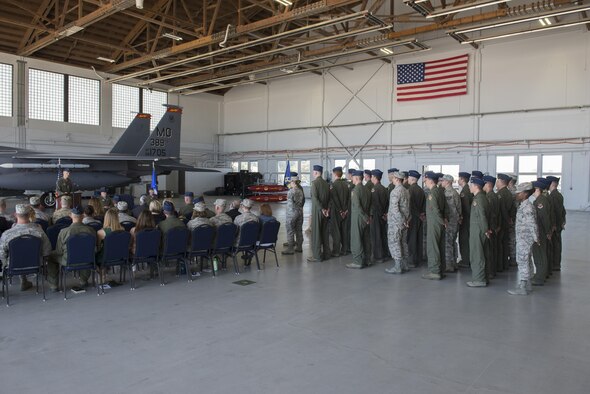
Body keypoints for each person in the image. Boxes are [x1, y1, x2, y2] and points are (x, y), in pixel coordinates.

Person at [0, 204, 51, 291]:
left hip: (13, 265)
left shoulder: (7, 235)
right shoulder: (39, 231)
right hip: (36, 264)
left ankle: (23, 279)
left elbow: (2, 254)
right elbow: (47, 250)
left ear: (16, 215)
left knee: (17, 255)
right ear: (29, 215)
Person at [47, 206, 97, 291]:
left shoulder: (64, 231)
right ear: (83, 216)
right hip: (87, 259)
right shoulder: (91, 230)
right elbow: (94, 248)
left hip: (68, 260)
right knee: (85, 253)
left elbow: (59, 251)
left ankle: (54, 285)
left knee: (51, 258)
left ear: (70, 215)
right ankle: (83, 280)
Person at [507, 182, 539, 295]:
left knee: (522, 260)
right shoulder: (523, 205)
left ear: (525, 194)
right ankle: (528, 284)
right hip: (523, 237)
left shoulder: (527, 207)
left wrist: (536, 238)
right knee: (527, 260)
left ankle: (523, 286)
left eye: (518, 193)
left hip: (525, 239)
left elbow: (532, 224)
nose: (516, 195)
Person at [422, 171, 447, 280]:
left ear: (431, 180)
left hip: (435, 222)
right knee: (440, 246)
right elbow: (445, 207)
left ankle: (434, 271)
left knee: (433, 247)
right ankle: (441, 269)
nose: (425, 181)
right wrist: (445, 220)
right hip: (440, 222)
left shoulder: (432, 193)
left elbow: (435, 210)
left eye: (426, 179)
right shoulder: (440, 191)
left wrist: (441, 221)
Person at [467, 177, 490, 288]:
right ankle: (484, 277)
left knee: (477, 255)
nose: (470, 187)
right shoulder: (482, 197)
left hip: (478, 230)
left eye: (471, 185)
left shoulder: (478, 199)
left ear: (476, 186)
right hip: (480, 229)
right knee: (482, 253)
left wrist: (485, 229)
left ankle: (479, 279)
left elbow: (482, 216)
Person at [385, 171, 410, 274]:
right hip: (404, 222)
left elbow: (395, 209)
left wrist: (401, 221)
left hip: (396, 223)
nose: (392, 179)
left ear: (396, 179)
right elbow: (408, 208)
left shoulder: (395, 192)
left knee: (394, 243)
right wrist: (406, 221)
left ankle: (397, 266)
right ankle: (405, 264)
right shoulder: (406, 190)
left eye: (393, 178)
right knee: (403, 243)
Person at [346, 170, 371, 269]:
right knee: (366, 239)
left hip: (358, 218)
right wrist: (368, 218)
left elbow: (357, 206)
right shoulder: (367, 190)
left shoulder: (356, 190)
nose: (351, 179)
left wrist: (364, 217)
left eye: (352, 177)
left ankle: (357, 261)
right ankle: (367, 260)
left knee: (356, 239)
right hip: (366, 218)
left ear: (356, 178)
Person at [96, 208, 124, 285]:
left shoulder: (101, 232)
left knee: (96, 255)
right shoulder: (122, 229)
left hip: (106, 257)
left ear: (106, 218)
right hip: (120, 256)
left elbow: (98, 247)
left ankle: (102, 276)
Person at [308, 165, 330, 263]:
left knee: (316, 234)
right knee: (325, 233)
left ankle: (317, 256)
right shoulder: (326, 183)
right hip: (326, 211)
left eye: (313, 172)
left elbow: (315, 198)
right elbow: (330, 198)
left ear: (316, 172)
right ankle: (327, 254)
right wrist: (327, 209)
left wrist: (321, 209)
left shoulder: (314, 183)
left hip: (318, 211)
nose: (313, 174)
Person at [531, 180, 552, 286]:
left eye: (533, 189)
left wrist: (548, 231)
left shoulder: (541, 201)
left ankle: (540, 277)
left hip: (540, 231)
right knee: (538, 253)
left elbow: (545, 218)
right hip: (539, 230)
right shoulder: (539, 200)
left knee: (540, 254)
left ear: (537, 189)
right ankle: (540, 274)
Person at [441, 175, 461, 273]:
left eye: (443, 180)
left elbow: (451, 210)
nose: (441, 182)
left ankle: (449, 265)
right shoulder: (455, 192)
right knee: (453, 242)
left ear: (448, 182)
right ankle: (454, 263)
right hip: (455, 221)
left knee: (448, 243)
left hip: (450, 221)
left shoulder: (449, 193)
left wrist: (446, 220)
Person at [329, 166, 349, 257]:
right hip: (345, 211)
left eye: (333, 174)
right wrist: (345, 210)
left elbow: (335, 199)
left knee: (336, 231)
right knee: (344, 230)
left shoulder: (334, 185)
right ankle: (344, 249)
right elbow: (349, 199)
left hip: (337, 211)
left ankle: (336, 251)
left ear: (335, 174)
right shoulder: (346, 184)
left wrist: (340, 210)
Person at [496, 173, 515, 272]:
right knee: (505, 243)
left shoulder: (501, 194)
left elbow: (502, 210)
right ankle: (504, 264)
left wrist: (500, 223)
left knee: (500, 244)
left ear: (500, 182)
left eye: (497, 181)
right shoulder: (508, 193)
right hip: (506, 222)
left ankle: (499, 265)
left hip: (502, 222)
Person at [546, 176, 566, 271]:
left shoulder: (553, 196)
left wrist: (554, 225)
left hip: (555, 225)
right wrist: (562, 221)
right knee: (557, 244)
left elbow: (555, 212)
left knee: (555, 245)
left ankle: (555, 264)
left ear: (552, 184)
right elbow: (563, 211)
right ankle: (556, 264)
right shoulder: (558, 195)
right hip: (558, 224)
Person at [282, 174, 305, 255]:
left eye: (290, 182)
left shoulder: (291, 191)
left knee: (290, 230)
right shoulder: (300, 190)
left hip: (291, 214)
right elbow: (302, 201)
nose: (289, 184)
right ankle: (299, 247)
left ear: (293, 182)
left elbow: (290, 204)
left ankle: (290, 248)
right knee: (299, 230)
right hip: (300, 212)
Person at [483, 175, 500, 278]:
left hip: (491, 227)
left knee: (489, 251)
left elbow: (492, 214)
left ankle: (490, 271)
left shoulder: (490, 197)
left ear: (488, 184)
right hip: (493, 226)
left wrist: (489, 228)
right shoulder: (492, 195)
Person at [369, 169, 388, 264]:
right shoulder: (384, 188)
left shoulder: (375, 189)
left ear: (375, 177)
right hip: (383, 215)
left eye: (371, 176)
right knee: (382, 234)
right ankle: (384, 254)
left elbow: (376, 204)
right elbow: (387, 203)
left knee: (376, 236)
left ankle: (378, 256)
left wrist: (380, 214)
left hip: (377, 215)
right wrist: (385, 214)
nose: (371, 178)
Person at [407, 170, 425, 268]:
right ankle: (418, 259)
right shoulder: (420, 189)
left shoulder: (410, 190)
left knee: (412, 239)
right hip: (420, 218)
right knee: (418, 238)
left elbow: (411, 206)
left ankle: (412, 261)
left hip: (413, 217)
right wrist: (422, 215)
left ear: (412, 179)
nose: (408, 179)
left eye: (409, 178)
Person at [457, 172, 473, 269]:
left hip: (466, 220)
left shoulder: (465, 192)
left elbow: (466, 208)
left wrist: (461, 217)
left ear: (462, 180)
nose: (458, 180)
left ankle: (466, 260)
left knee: (464, 239)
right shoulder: (467, 189)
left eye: (459, 178)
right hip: (468, 219)